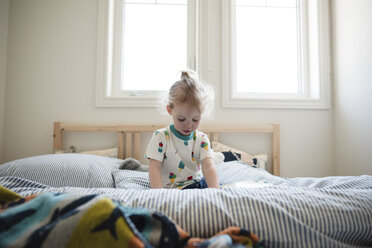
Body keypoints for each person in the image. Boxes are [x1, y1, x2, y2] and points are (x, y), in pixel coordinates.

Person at [145, 70, 219, 189]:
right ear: (170, 110)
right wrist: (158, 194)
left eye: (195, 120)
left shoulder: (202, 139)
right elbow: (154, 168)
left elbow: (209, 167)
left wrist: (216, 192)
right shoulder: (161, 137)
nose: (188, 126)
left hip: (197, 184)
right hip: (172, 188)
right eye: (181, 119)